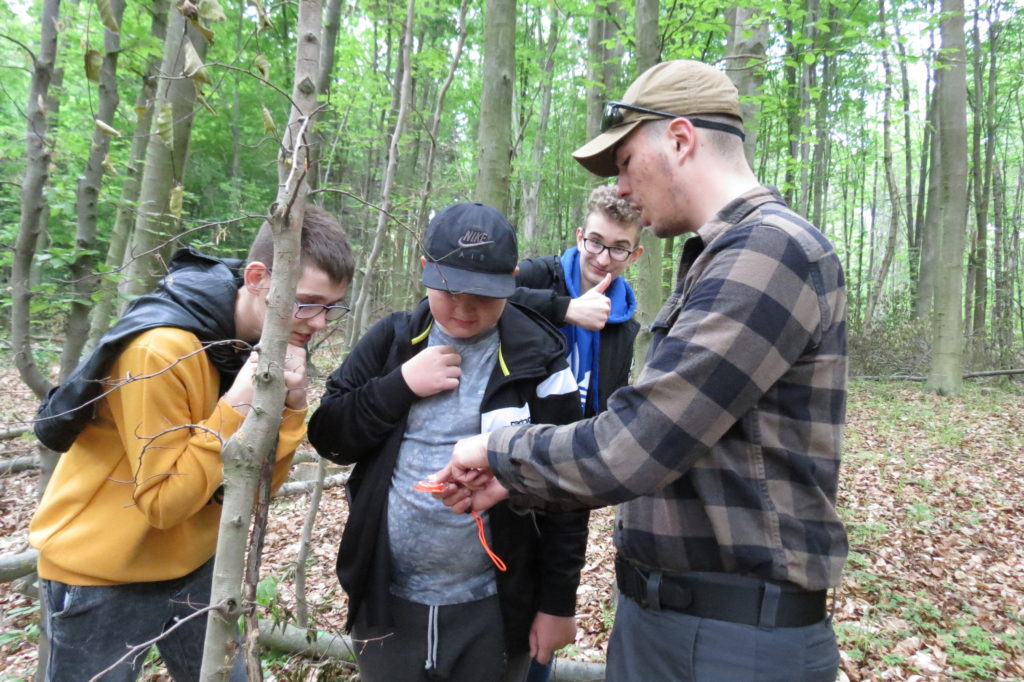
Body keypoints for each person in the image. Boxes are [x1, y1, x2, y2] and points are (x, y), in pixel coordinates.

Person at [435, 60, 848, 682]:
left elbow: (638, 442)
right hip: (681, 623)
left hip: (731, 640)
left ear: (680, 139)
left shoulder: (769, 252)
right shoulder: (723, 257)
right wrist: (514, 481)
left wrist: (496, 451)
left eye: (626, 162)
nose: (622, 189)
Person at [29, 206, 355, 682]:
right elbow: (163, 503)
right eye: (308, 302)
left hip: (198, 565)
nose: (320, 323)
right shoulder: (160, 350)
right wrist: (236, 407)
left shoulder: (253, 348)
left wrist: (291, 409)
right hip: (101, 573)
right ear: (258, 278)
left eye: (332, 307)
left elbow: (257, 491)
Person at [307, 202, 588, 682]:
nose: (464, 308)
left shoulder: (540, 361)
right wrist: (399, 385)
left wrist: (557, 603)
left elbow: (568, 488)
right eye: (450, 289)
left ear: (512, 281)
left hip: (496, 607)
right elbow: (330, 437)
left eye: (484, 294)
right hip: (386, 600)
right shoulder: (393, 341)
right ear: (425, 271)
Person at [511, 184, 643, 418]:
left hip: (580, 437)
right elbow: (484, 293)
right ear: (580, 237)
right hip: (518, 433)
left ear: (634, 256)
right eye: (596, 241)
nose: (603, 260)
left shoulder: (625, 326)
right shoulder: (539, 276)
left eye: (619, 249)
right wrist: (563, 309)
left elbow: (610, 407)